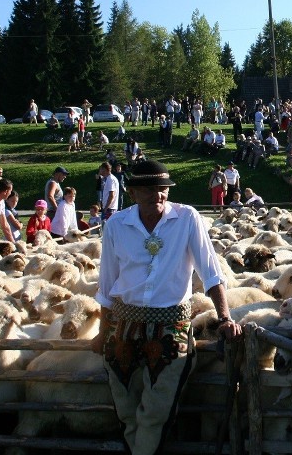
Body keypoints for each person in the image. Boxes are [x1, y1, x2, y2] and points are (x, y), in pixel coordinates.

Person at [90, 160, 240, 455]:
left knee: (156, 410)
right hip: (123, 324)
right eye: (149, 190)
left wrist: (225, 317)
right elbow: (107, 284)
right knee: (127, 409)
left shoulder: (187, 218)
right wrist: (101, 331)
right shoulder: (117, 225)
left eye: (163, 190)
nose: (158, 196)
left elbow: (210, 273)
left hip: (171, 325)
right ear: (132, 193)